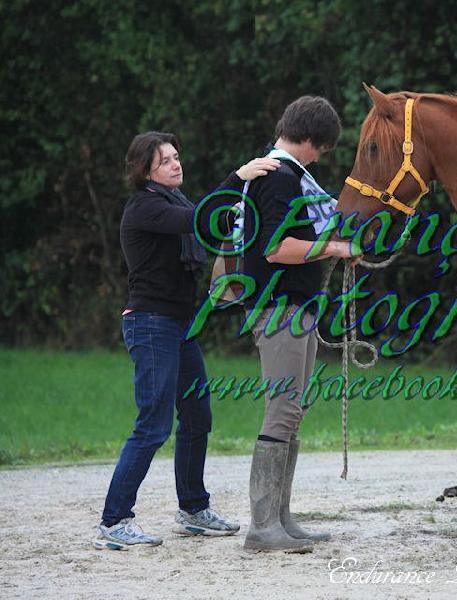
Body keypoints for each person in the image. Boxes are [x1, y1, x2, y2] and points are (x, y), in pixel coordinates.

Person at [94, 131, 279, 550]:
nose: (176, 164)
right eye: (166, 161)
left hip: (179, 324)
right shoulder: (145, 206)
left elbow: (210, 225)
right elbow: (200, 222)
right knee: (153, 425)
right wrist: (238, 177)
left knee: (197, 416)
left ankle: (193, 510)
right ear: (146, 171)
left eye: (177, 157)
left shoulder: (176, 201)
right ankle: (113, 520)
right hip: (151, 324)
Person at [236, 96, 357, 553]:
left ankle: (279, 518)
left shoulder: (289, 176)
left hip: (297, 304)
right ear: (308, 140)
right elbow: (274, 249)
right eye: (320, 150)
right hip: (279, 305)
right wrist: (334, 249)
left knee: (294, 410)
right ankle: (262, 526)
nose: (318, 158)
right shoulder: (279, 178)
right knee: (283, 409)